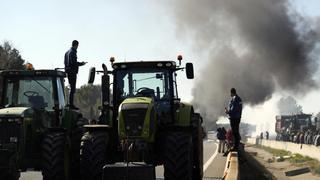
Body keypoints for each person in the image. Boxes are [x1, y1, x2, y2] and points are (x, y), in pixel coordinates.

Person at [64, 40, 86, 109]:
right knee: (72, 89)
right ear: (76, 45)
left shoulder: (67, 52)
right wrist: (81, 64)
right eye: (77, 46)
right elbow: (73, 63)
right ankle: (71, 104)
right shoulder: (73, 52)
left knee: (71, 88)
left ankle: (69, 103)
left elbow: (65, 62)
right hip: (72, 72)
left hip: (68, 71)